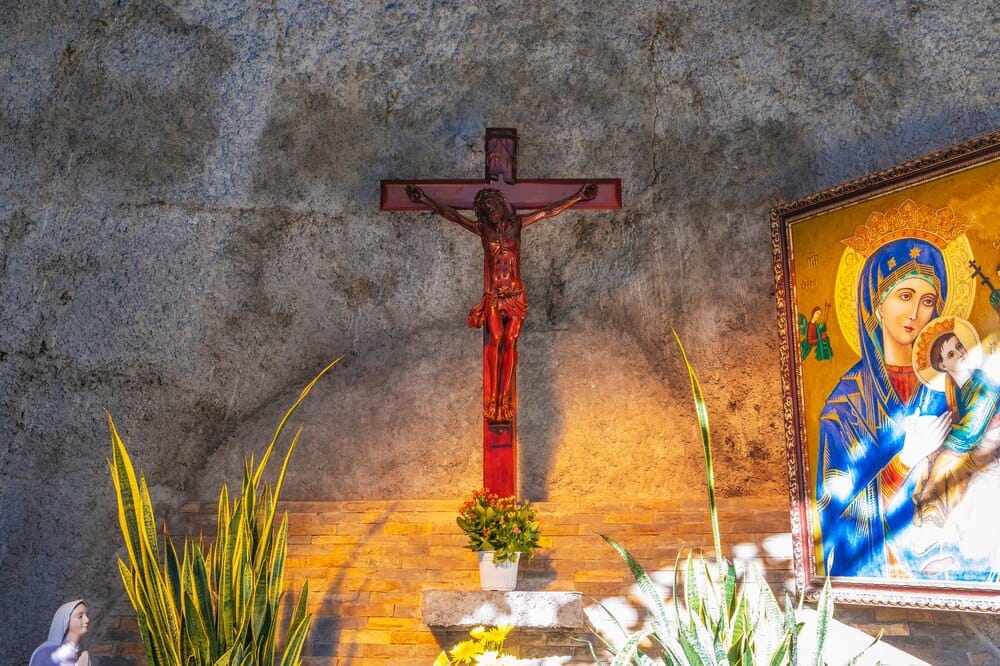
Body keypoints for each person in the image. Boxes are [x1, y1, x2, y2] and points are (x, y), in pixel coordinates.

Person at [816, 236, 952, 578]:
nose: (915, 313)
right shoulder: (843, 407)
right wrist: (905, 461)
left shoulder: (948, 388)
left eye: (928, 301)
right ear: (876, 305)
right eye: (904, 296)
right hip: (879, 573)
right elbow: (836, 526)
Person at [405, 182, 598, 421]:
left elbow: (548, 211)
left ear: (501, 204)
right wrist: (425, 199)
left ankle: (504, 395)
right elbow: (453, 216)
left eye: (492, 205)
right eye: (486, 209)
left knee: (511, 342)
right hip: (495, 296)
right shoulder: (483, 230)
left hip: (516, 296)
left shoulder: (517, 225)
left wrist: (578, 197)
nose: (491, 211)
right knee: (495, 339)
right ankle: (492, 398)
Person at [910, 318, 1000, 533]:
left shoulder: (982, 386)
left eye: (960, 346)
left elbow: (971, 433)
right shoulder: (956, 390)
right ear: (942, 365)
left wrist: (943, 447)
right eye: (951, 354)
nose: (961, 353)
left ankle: (932, 516)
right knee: (926, 461)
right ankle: (924, 512)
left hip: (981, 446)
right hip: (969, 445)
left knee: (944, 462)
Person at [29, 600, 90, 666]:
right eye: (80, 616)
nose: (87, 620)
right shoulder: (45, 653)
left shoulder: (81, 653)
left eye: (87, 615)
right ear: (65, 620)